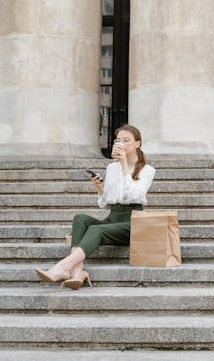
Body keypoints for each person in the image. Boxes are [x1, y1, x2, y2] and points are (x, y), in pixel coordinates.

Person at [35, 124, 156, 289]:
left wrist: (124, 166)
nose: (121, 143)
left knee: (95, 230)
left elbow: (135, 196)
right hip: (113, 218)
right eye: (118, 140)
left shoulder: (147, 170)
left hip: (132, 222)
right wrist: (100, 188)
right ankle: (77, 272)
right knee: (81, 219)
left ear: (137, 143)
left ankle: (63, 267)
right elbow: (106, 203)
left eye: (126, 140)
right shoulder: (112, 168)